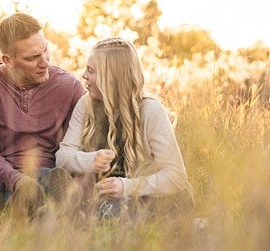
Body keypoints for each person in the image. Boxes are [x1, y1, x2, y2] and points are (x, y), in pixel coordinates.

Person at [55, 37, 194, 217]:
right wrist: (92, 160)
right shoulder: (86, 104)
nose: (83, 75)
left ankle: (79, 213)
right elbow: (62, 157)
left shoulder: (150, 110)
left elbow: (176, 177)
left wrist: (127, 187)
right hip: (107, 197)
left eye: (90, 71)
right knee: (71, 183)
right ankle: (80, 210)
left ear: (111, 78)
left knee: (116, 209)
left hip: (150, 198)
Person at [0, 13, 85, 216]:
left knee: (48, 177)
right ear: (7, 60)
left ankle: (41, 211)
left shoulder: (70, 87)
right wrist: (17, 181)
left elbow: (75, 150)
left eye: (46, 50)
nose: (45, 62)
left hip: (45, 179)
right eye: (32, 58)